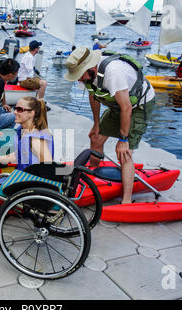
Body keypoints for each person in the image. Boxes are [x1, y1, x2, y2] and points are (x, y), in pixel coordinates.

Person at [65, 47, 155, 204]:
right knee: (96, 138)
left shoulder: (113, 73)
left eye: (80, 75)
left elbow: (126, 107)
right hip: (119, 104)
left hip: (138, 105)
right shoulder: (89, 76)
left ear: (91, 67)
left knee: (123, 153)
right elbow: (94, 96)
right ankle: (92, 176)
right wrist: (96, 124)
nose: (79, 79)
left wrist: (123, 140)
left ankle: (126, 200)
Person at [0, 97, 52, 170]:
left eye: (19, 110)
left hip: (28, 180)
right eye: (15, 108)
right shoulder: (21, 130)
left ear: (32, 113)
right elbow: (18, 155)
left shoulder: (36, 140)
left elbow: (48, 167)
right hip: (21, 176)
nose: (14, 112)